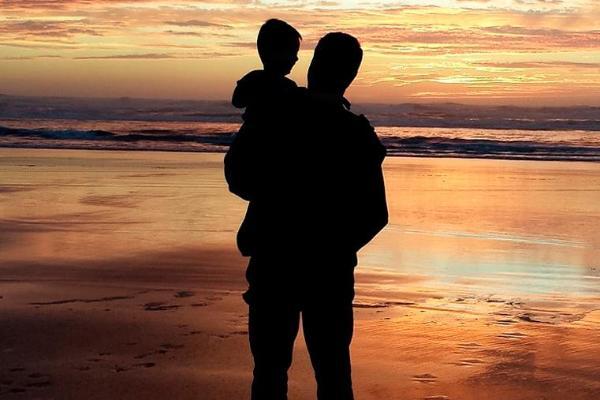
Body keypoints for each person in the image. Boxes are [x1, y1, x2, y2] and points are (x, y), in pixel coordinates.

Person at [225, 32, 388, 400]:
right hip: (328, 273)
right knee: (332, 375)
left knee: (269, 372)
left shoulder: (275, 113)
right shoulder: (356, 133)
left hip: (274, 262)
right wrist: (335, 246)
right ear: (350, 76)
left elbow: (238, 178)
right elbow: (375, 215)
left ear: (314, 65)